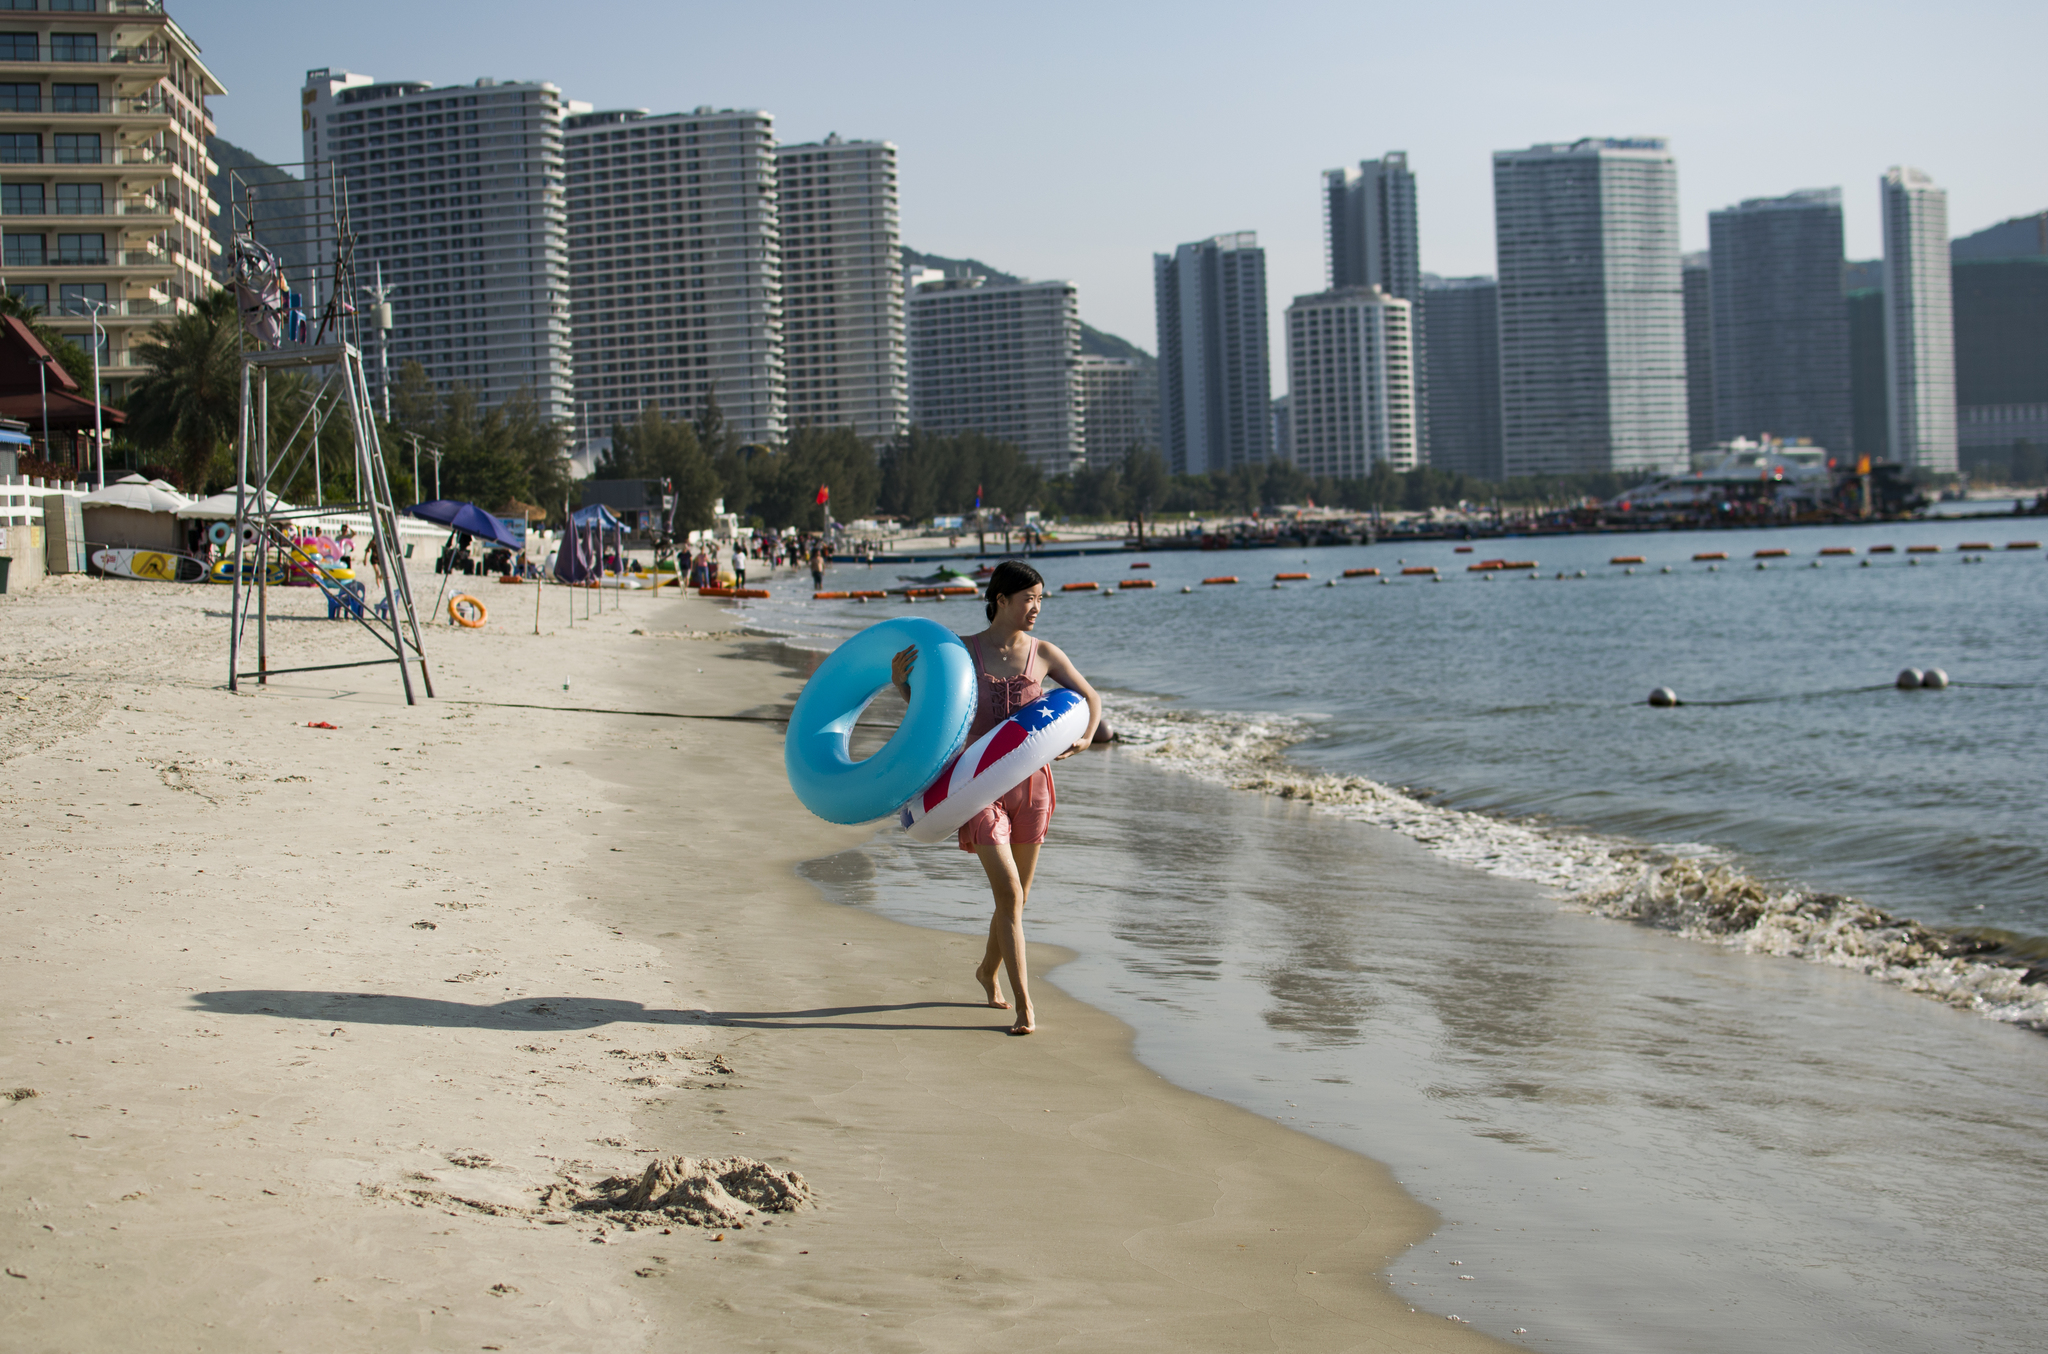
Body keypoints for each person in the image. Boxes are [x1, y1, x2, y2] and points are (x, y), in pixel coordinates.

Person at [889, 560, 1100, 1035]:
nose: (1036, 607)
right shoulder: (961, 653)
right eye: (1028, 598)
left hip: (1034, 788)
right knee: (1007, 893)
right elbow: (935, 715)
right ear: (1000, 599)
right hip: (977, 789)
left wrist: (1086, 736)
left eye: (1041, 599)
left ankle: (987, 970)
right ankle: (1026, 1006)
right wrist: (902, 683)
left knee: (1017, 899)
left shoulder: (1044, 653)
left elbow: (1090, 696)